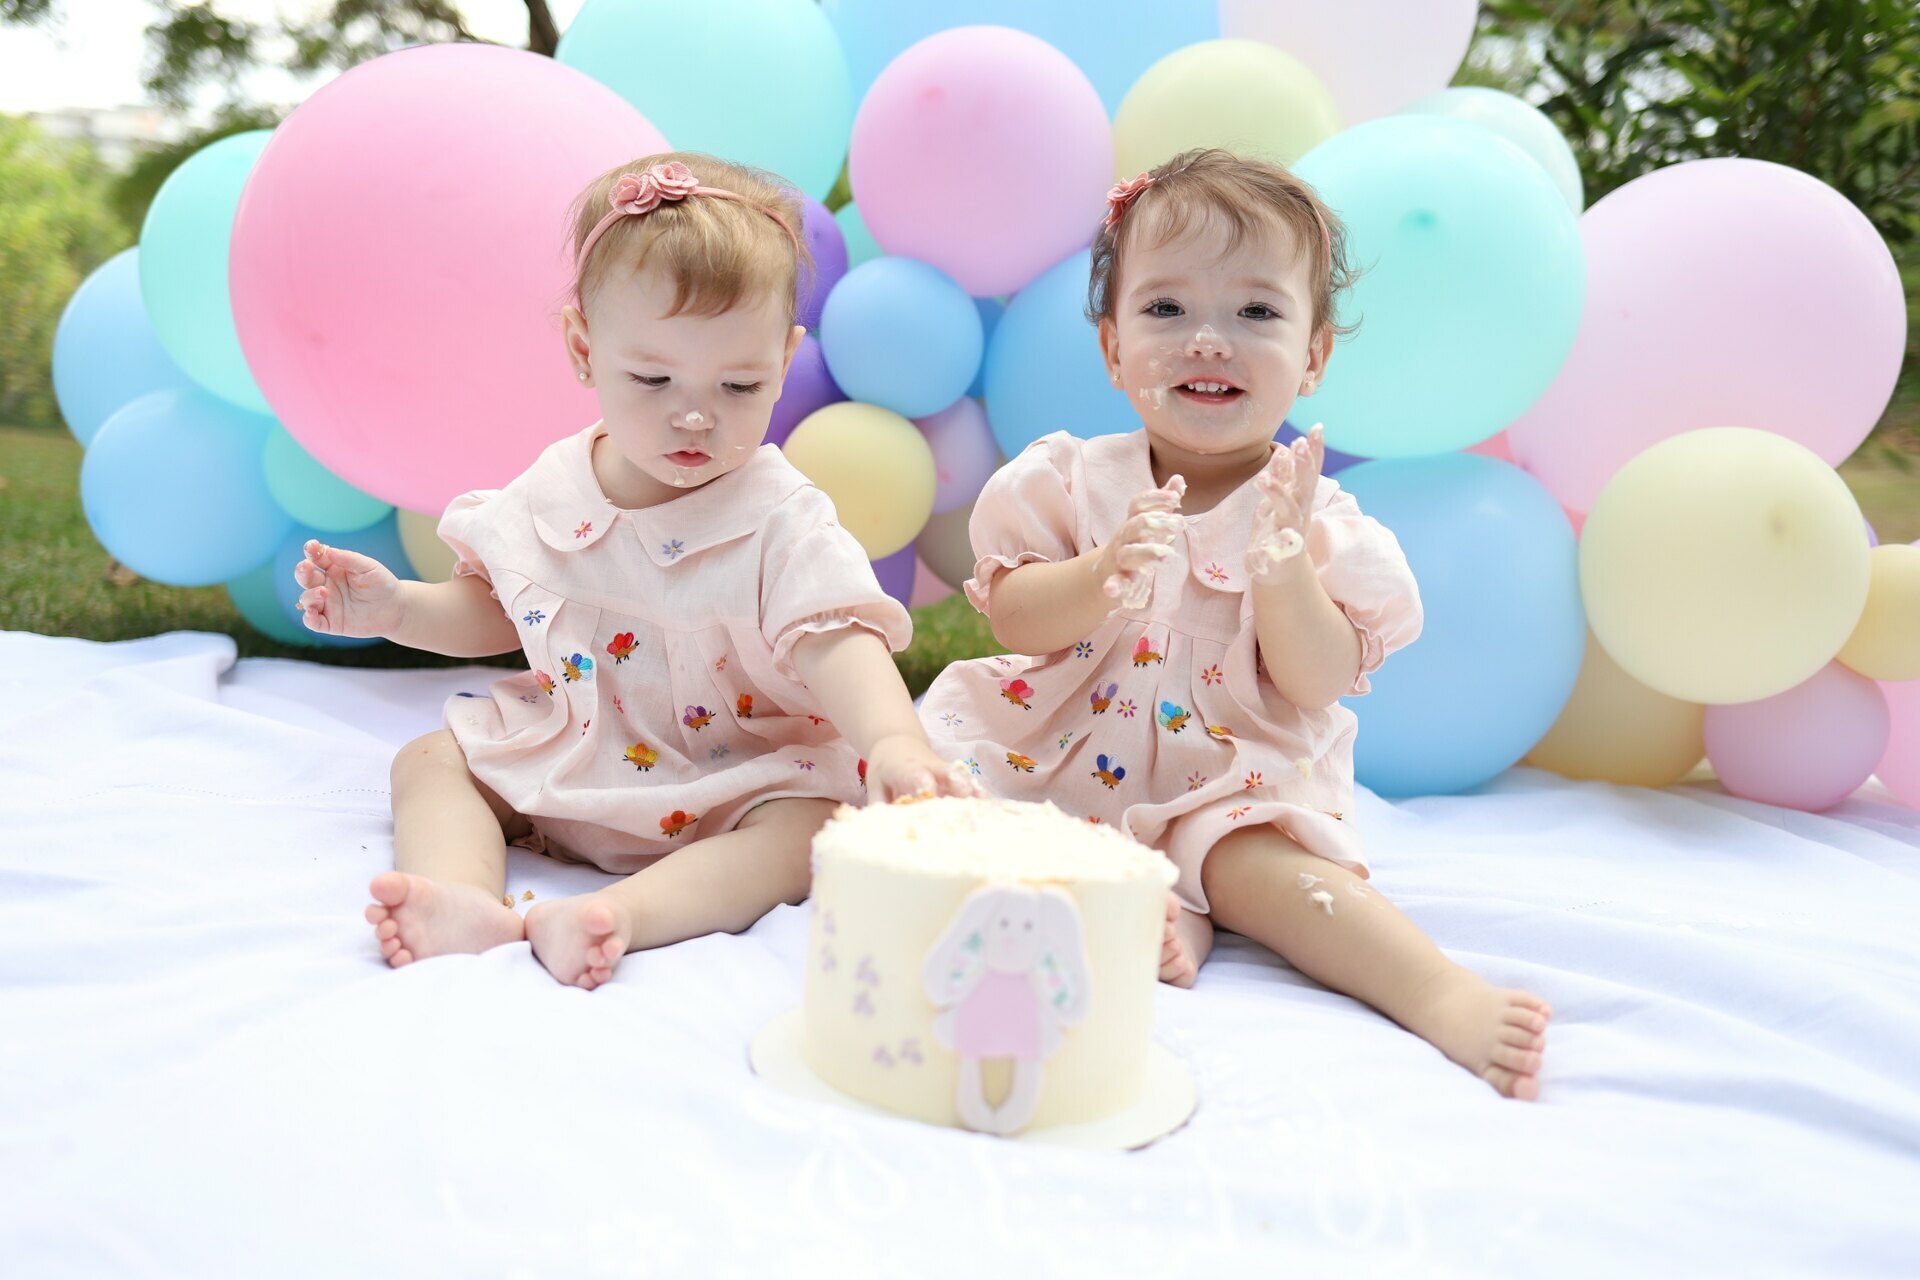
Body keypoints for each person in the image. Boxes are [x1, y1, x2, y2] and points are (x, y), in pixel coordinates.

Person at [919, 148, 1552, 1098]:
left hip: (1227, 769)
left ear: (1313, 356)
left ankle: (1435, 991)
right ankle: (1160, 906)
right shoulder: (1069, 481)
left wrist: (1284, 572)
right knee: (936, 799)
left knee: (1267, 867)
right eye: (1166, 309)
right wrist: (1101, 573)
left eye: (1256, 312)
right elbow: (1016, 614)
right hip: (1058, 748)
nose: (1208, 339)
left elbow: (1317, 682)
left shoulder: (1320, 522)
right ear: (1112, 348)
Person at [295, 152, 977, 990]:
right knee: (431, 760)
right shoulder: (555, 490)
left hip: (734, 774)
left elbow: (834, 643)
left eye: (740, 383)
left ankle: (622, 916)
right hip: (576, 750)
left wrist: (895, 743)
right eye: (652, 377)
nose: (694, 413)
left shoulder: (781, 517)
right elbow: (497, 608)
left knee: (814, 828)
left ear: (787, 356)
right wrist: (398, 610)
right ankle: (460, 896)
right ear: (584, 347)